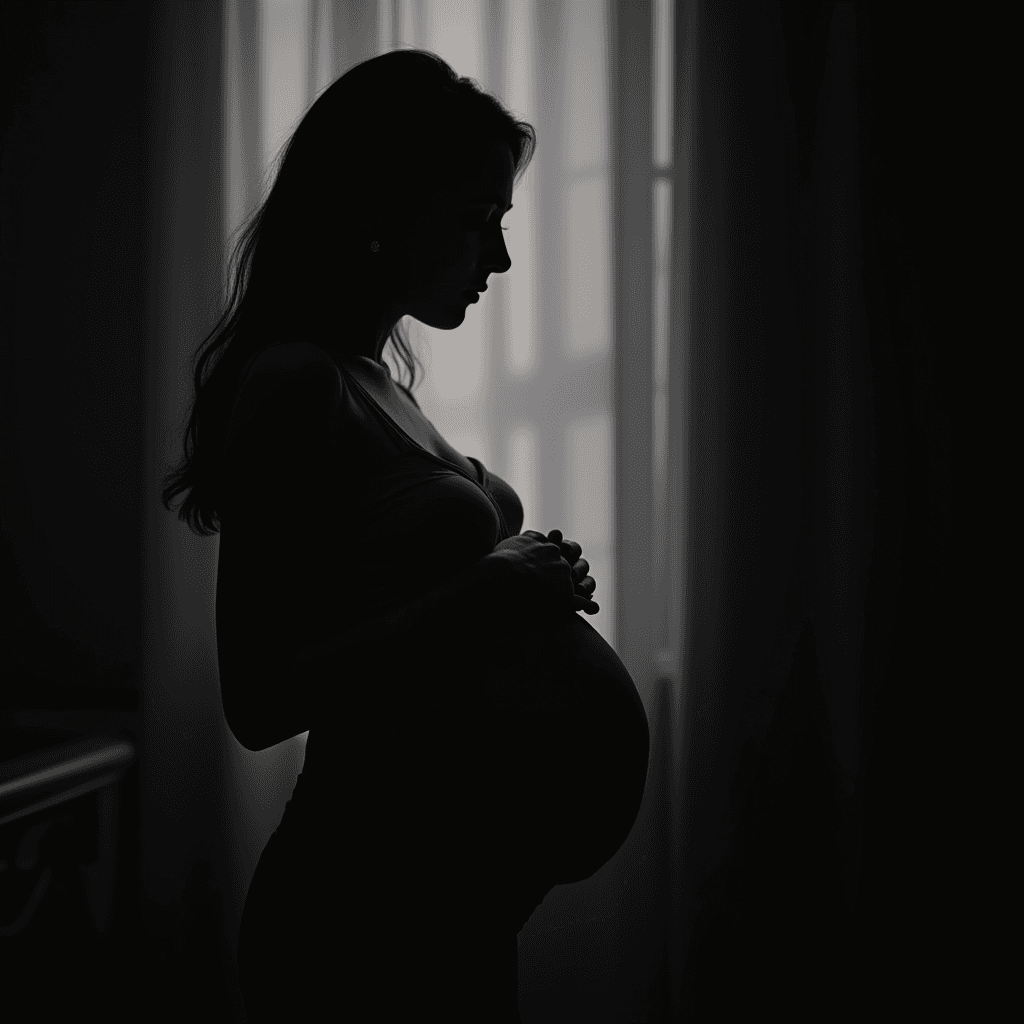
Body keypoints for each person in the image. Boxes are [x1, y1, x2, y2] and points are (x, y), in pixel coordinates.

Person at [161, 48, 649, 1023]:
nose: (499, 258)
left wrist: (521, 579)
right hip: (358, 909)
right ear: (380, 208)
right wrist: (490, 592)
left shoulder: (373, 379)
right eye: (478, 222)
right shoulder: (293, 382)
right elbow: (259, 699)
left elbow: (401, 592)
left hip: (445, 899)